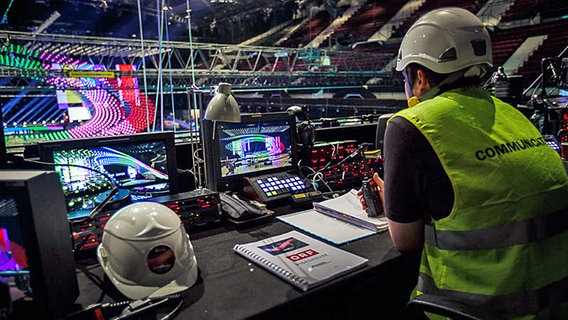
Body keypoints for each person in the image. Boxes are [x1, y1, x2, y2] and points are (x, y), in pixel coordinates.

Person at [359, 7, 568, 319]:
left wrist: (391, 198)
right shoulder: (513, 114)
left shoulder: (410, 125)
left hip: (482, 311)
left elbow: (405, 241)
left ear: (419, 77)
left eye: (405, 77)